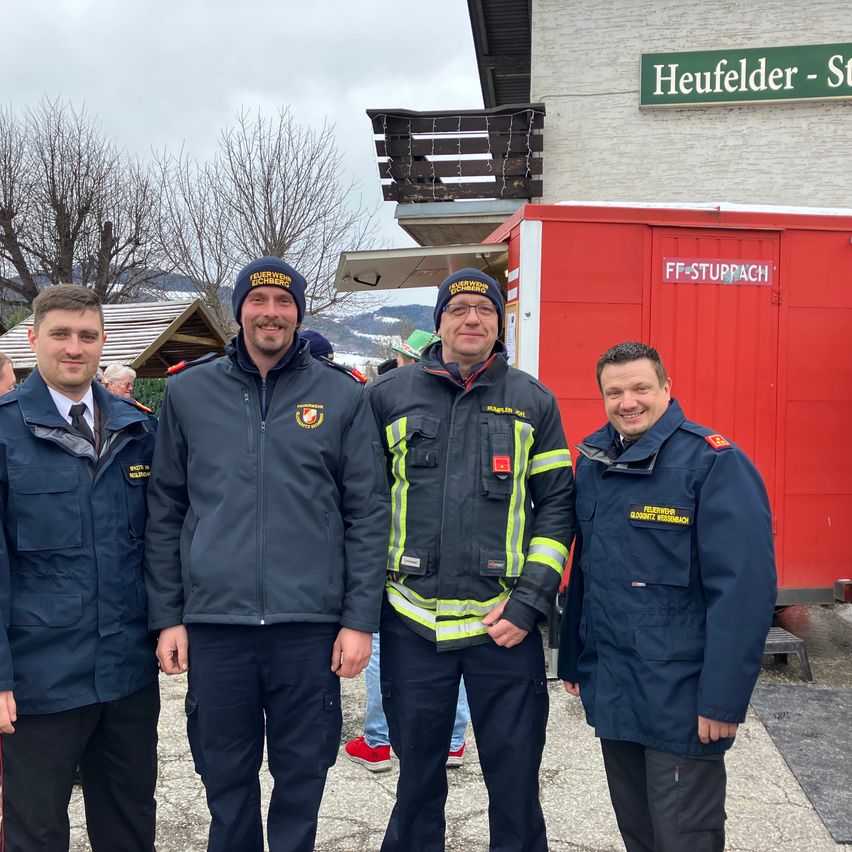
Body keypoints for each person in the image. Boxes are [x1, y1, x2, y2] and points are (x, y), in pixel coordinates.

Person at [144, 256, 389, 852]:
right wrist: (168, 616)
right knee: (224, 774)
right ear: (240, 310)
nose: (271, 312)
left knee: (303, 774)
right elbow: (165, 509)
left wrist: (359, 621)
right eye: (258, 300)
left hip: (308, 626)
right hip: (216, 625)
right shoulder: (188, 391)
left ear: (298, 312)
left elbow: (367, 514)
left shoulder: (341, 394)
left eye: (284, 302)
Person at [368, 268, 576, 851]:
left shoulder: (534, 401)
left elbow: (557, 507)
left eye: (484, 310)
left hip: (503, 627)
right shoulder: (386, 396)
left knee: (515, 783)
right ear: (438, 322)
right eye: (458, 309)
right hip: (411, 623)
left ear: (499, 325)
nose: (472, 319)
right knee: (416, 782)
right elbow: (361, 503)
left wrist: (529, 602)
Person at [558, 341, 777, 852]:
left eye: (640, 388)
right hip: (614, 687)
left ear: (666, 388)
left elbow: (743, 592)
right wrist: (572, 658)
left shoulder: (713, 463)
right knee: (638, 833)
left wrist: (723, 700)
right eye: (614, 392)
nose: (628, 402)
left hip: (680, 697)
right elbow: (585, 573)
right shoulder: (593, 461)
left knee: (684, 837)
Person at [0, 284, 159, 851]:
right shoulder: (4, 431)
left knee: (129, 824)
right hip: (39, 678)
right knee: (35, 831)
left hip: (126, 673)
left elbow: (159, 544)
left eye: (87, 336)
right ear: (32, 339)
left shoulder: (137, 430)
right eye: (60, 334)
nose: (74, 347)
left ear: (103, 342)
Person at [346, 324, 472, 773]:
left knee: (387, 651)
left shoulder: (388, 398)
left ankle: (379, 740)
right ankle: (453, 739)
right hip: (440, 565)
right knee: (454, 642)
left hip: (400, 567)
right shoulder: (401, 398)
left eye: (405, 357)